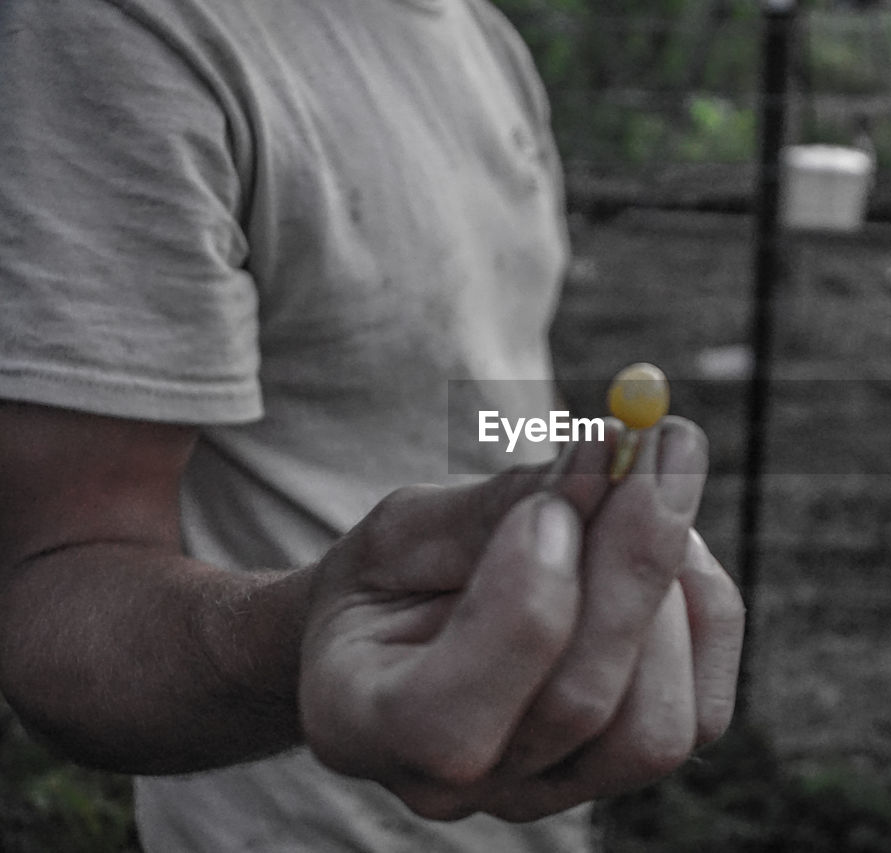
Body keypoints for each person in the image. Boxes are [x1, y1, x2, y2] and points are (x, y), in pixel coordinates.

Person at [0, 0, 745, 851]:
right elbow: (49, 589)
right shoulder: (124, 29)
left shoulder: (481, 36)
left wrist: (584, 480)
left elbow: (459, 396)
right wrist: (310, 639)